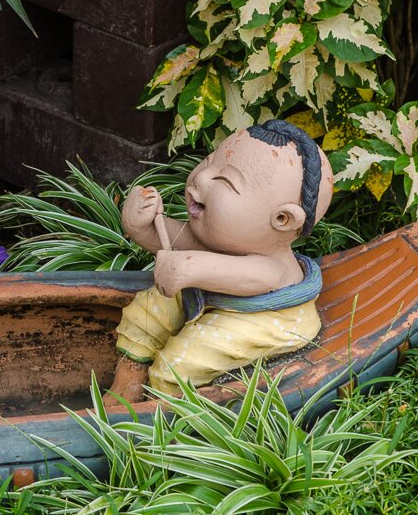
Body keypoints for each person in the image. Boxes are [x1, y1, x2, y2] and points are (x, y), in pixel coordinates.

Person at [106, 120, 334, 406]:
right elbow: (182, 242)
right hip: (215, 299)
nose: (201, 179)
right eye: (208, 161)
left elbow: (234, 274)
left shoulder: (272, 269)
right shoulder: (226, 239)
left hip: (264, 320)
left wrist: (187, 268)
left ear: (283, 220)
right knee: (147, 314)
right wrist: (141, 226)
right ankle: (126, 384)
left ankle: (164, 415)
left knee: (180, 363)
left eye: (225, 181)